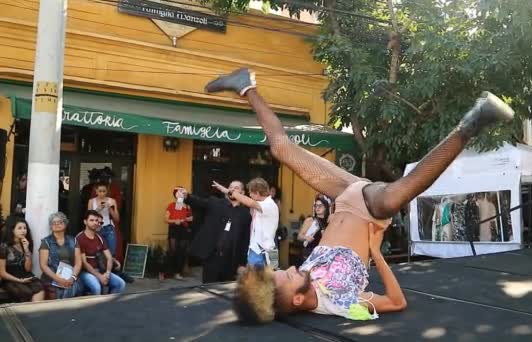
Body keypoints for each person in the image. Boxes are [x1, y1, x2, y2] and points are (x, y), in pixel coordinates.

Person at [204, 67, 514, 323]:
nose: (287, 268)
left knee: (281, 149)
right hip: (369, 209)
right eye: (286, 276)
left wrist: (251, 280)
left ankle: (246, 86)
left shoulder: (297, 283)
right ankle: (473, 121)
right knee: (400, 194)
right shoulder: (341, 302)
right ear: (298, 298)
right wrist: (376, 254)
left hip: (344, 197)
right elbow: (396, 302)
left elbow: (265, 292)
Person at [184, 182, 252, 283]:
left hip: (231, 261)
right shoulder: (215, 203)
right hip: (212, 257)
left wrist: (242, 263)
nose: (232, 190)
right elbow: (199, 202)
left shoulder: (246, 214)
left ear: (242, 192)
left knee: (226, 294)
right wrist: (187, 196)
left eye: (236, 188)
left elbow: (245, 240)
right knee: (209, 292)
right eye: (230, 187)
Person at [211, 178, 279, 267]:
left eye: (251, 192)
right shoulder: (263, 204)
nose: (249, 195)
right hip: (262, 249)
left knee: (264, 278)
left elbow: (249, 202)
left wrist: (227, 191)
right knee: (262, 278)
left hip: (264, 250)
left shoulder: (269, 204)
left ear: (258, 193)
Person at [77, 210, 126, 295]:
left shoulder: (100, 238)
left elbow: (109, 257)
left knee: (120, 284)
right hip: (85, 272)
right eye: (91, 220)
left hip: (101, 270)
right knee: (96, 287)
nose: (95, 223)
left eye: (96, 221)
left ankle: (108, 304)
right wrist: (99, 276)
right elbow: (84, 263)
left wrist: (107, 273)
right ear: (85, 222)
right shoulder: (80, 238)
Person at [39, 212, 83, 299]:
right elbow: (43, 266)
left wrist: (72, 278)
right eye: (53, 222)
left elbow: (78, 262)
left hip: (70, 276)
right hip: (52, 277)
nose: (56, 224)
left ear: (65, 224)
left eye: (60, 222)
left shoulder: (73, 240)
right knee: (65, 290)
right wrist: (58, 279)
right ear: (51, 226)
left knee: (73, 286)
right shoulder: (46, 242)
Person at [0, 216, 44, 302]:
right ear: (12, 230)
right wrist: (19, 280)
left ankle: (34, 314)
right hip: (10, 278)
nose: (23, 230)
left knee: (40, 288)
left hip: (25, 275)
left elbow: (28, 268)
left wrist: (27, 249)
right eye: (19, 228)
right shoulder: (4, 247)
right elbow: (2, 273)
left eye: (25, 228)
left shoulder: (26, 244)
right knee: (25, 292)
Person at [162, 187, 193, 280]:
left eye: (182, 192)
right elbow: (165, 219)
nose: (181, 194)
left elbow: (191, 218)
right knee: (172, 251)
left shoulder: (187, 206)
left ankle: (178, 273)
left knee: (182, 252)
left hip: (184, 229)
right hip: (174, 229)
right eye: (179, 193)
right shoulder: (171, 205)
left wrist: (187, 219)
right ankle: (166, 272)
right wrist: (175, 220)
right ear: (176, 195)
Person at [88, 183, 120, 257]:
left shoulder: (112, 201)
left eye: (104, 191)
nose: (102, 193)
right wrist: (98, 209)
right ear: (96, 191)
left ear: (107, 191)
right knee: (97, 251)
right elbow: (88, 217)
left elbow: (117, 219)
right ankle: (100, 268)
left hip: (109, 228)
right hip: (96, 228)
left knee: (111, 251)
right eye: (100, 191)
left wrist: (109, 208)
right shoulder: (91, 201)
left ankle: (110, 268)